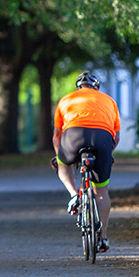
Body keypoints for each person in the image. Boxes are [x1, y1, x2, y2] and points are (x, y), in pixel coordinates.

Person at [52, 71, 120, 252]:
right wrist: (107, 154)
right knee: (102, 191)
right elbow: (117, 135)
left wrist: (60, 157)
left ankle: (74, 195)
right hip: (102, 138)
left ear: (78, 87)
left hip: (73, 136)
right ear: (96, 87)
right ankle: (103, 237)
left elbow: (57, 136)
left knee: (63, 165)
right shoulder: (109, 101)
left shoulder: (66, 100)